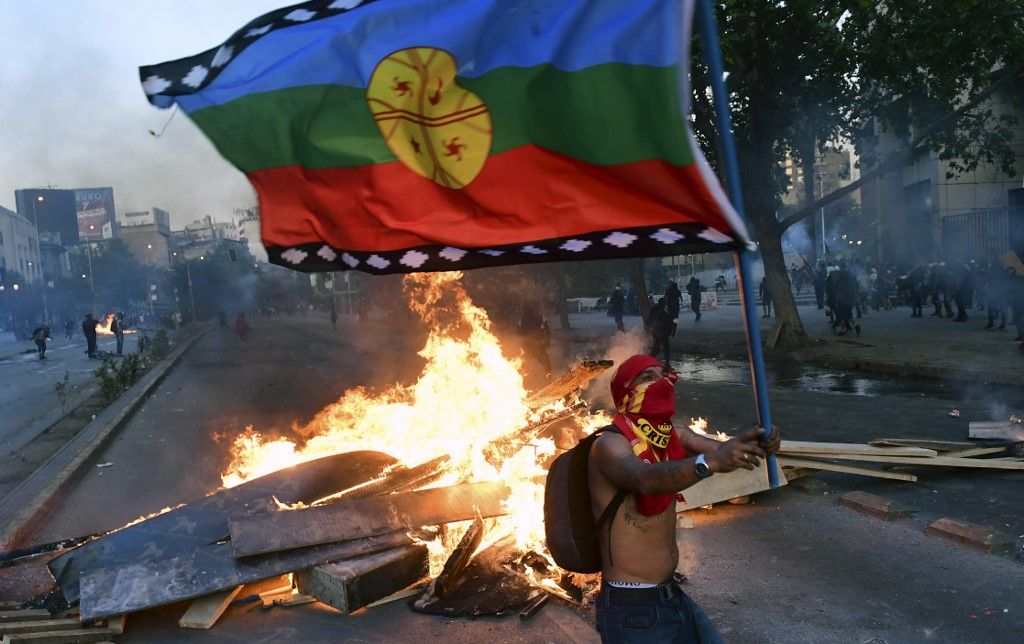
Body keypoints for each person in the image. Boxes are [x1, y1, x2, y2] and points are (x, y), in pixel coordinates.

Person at [588, 355, 781, 643]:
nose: (661, 382)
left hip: (670, 595)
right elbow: (644, 479)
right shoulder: (608, 444)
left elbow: (719, 449)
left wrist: (754, 443)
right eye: (647, 377)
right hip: (632, 609)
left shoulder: (670, 434)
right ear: (625, 392)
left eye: (664, 375)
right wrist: (710, 462)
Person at [519, 303, 552, 380]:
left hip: (528, 347)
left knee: (524, 364)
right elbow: (547, 330)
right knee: (546, 364)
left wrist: (522, 345)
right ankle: (548, 377)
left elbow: (518, 332)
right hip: (539, 345)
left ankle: (523, 380)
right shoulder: (540, 317)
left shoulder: (522, 319)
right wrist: (547, 341)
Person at [646, 298, 673, 365]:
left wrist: (651, 328)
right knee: (666, 347)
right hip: (661, 333)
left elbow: (648, 321)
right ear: (663, 304)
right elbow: (665, 324)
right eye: (664, 304)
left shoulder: (654, 310)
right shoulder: (662, 312)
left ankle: (648, 360)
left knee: (656, 348)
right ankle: (667, 363)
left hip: (656, 333)